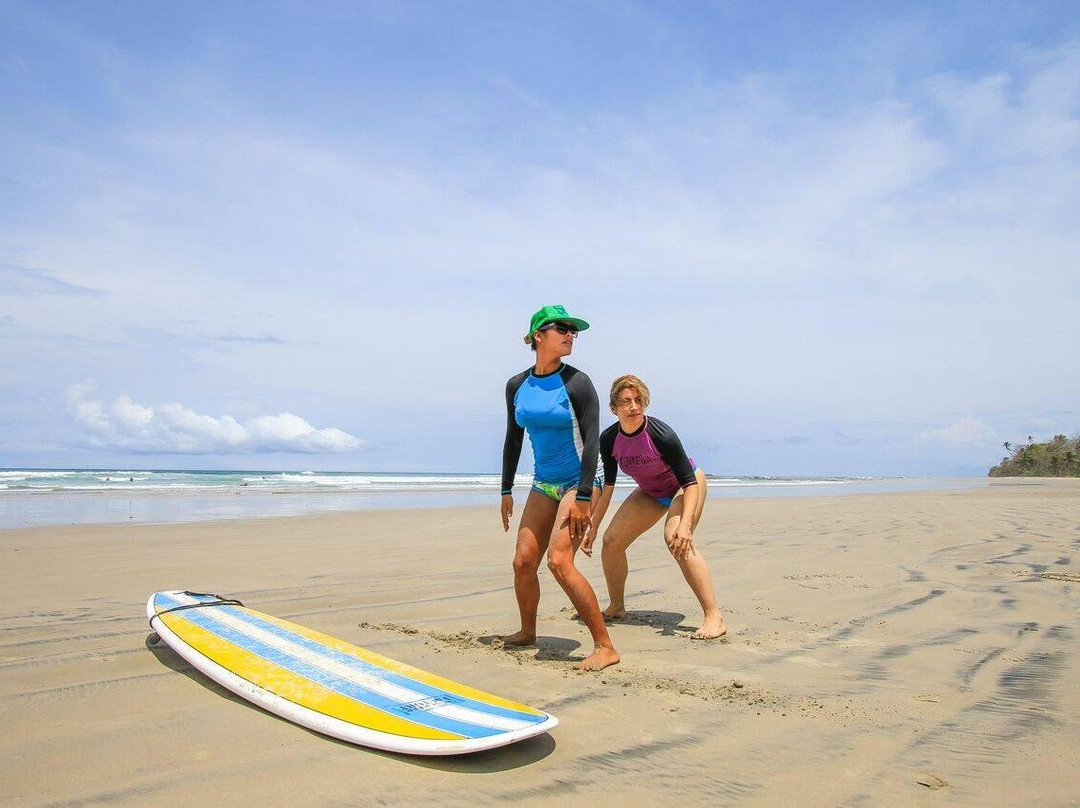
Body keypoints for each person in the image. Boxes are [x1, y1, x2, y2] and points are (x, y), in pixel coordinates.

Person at [500, 305, 620, 671]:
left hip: (580, 481)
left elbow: (593, 443)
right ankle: (527, 631)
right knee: (523, 562)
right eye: (561, 329)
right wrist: (506, 489)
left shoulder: (578, 383)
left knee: (558, 561)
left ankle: (605, 646)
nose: (570, 335)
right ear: (539, 335)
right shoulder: (517, 386)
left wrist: (584, 496)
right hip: (543, 483)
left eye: (573, 331)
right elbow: (513, 439)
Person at [582, 374, 727, 640]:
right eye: (626, 402)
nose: (634, 407)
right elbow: (609, 486)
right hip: (651, 492)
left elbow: (690, 482)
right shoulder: (609, 439)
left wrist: (685, 526)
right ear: (614, 408)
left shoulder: (661, 435)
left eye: (639, 400)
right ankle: (616, 607)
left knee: (676, 538)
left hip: (686, 485)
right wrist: (593, 525)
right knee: (611, 541)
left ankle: (713, 616)